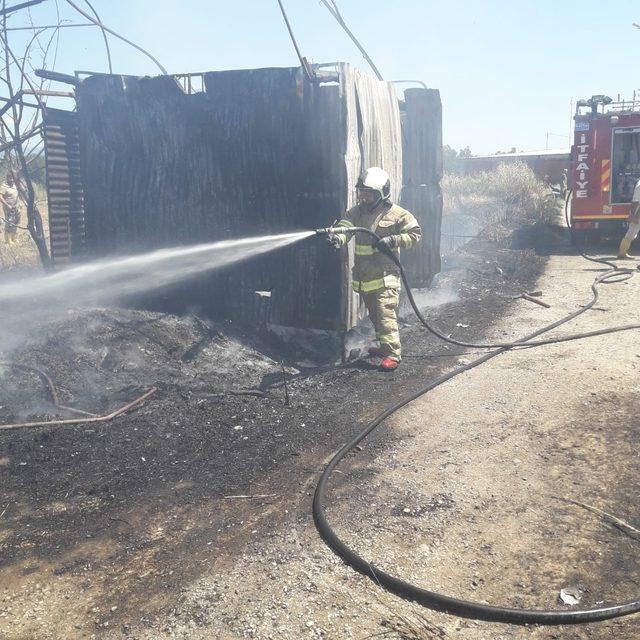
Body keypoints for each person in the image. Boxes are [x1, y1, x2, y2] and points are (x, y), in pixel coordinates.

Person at [327, 167, 421, 371]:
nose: (364, 197)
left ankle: (393, 355)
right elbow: (345, 227)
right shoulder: (356, 212)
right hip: (366, 277)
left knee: (385, 314)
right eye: (362, 192)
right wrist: (337, 238)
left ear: (381, 193)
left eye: (369, 193)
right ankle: (384, 346)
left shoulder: (397, 214)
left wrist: (393, 239)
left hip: (386, 277)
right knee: (375, 315)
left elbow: (415, 234)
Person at [617, 177, 640, 259]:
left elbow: (635, 201)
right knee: (632, 232)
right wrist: (634, 216)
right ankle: (622, 253)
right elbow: (636, 201)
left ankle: (622, 252)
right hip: (638, 213)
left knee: (632, 232)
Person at [0, 174, 20, 245]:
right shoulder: (4, 186)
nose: (11, 180)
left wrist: (19, 204)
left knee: (16, 222)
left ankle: (14, 238)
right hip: (8, 208)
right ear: (7, 178)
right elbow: (0, 197)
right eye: (10, 178)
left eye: (12, 178)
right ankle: (8, 240)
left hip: (17, 207)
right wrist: (7, 205)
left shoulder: (15, 186)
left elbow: (17, 195)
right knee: (9, 223)